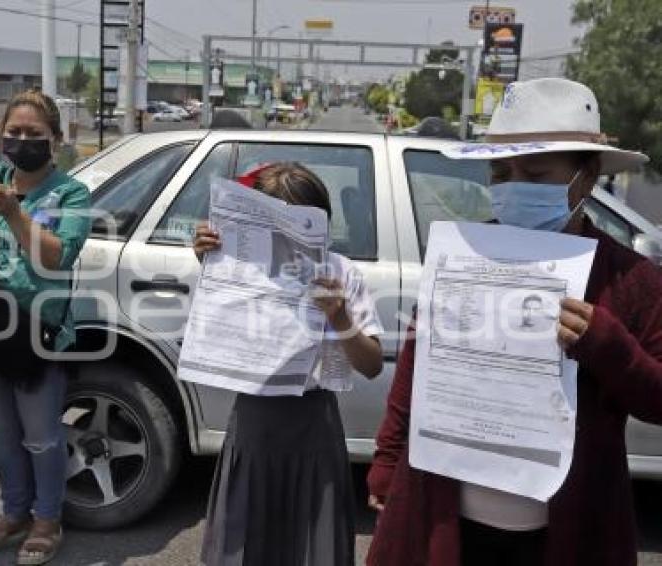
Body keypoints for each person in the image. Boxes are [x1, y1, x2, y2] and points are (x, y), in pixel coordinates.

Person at [366, 77, 662, 566]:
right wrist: (387, 457)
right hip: (450, 518)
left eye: (535, 172)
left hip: (565, 530)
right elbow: (418, 367)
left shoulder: (630, 279)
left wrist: (609, 346)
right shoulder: (462, 255)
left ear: (585, 178)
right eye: (501, 174)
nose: (514, 186)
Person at [194, 163, 385, 566]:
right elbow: (217, 327)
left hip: (313, 424)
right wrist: (210, 263)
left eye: (300, 221)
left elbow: (371, 366)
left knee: (310, 544)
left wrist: (340, 318)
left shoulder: (341, 272)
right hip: (253, 419)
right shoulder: (239, 267)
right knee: (243, 541)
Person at [0, 90, 93, 565]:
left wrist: (15, 213)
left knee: (41, 436)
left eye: (34, 135)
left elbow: (57, 256)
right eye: (12, 133)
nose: (21, 141)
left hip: (37, 337)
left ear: (55, 140)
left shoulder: (72, 193)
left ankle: (46, 520)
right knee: (2, 434)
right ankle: (13, 514)